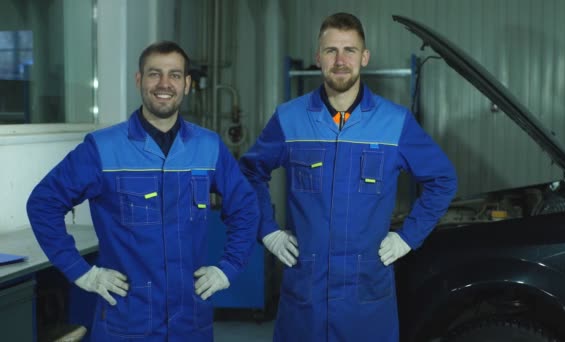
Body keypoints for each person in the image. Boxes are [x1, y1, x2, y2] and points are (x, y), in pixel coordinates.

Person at [240, 13, 457, 341]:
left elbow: (443, 179)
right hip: (305, 298)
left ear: (364, 57)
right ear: (318, 58)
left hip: (366, 299)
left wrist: (408, 237)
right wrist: (268, 231)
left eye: (350, 50)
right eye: (331, 51)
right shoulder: (289, 119)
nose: (340, 60)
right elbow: (248, 173)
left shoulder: (394, 122)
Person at [27, 41, 259, 341]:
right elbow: (43, 203)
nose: (164, 84)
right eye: (154, 74)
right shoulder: (103, 148)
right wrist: (81, 272)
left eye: (175, 75)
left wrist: (229, 267)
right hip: (126, 321)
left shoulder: (209, 146)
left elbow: (245, 206)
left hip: (190, 321)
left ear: (187, 84)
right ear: (139, 80)